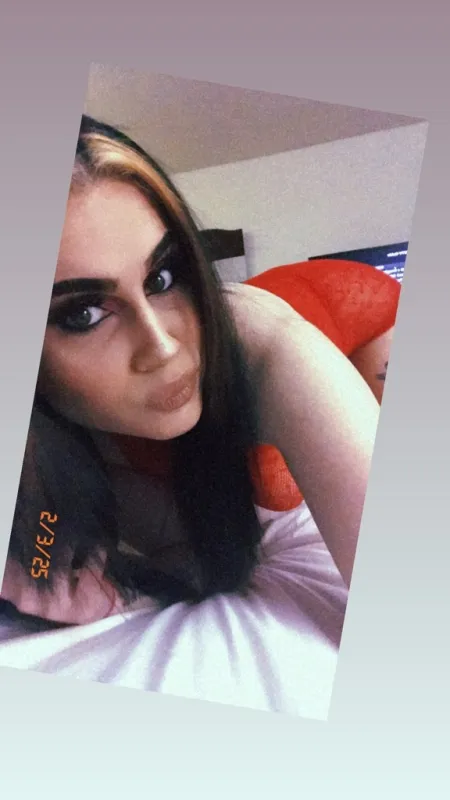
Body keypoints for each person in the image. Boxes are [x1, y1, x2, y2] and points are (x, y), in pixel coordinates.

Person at [1, 115, 378, 631]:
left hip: (361, 316)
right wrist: (46, 564)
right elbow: (67, 550)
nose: (163, 346)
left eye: (163, 276)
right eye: (83, 313)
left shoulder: (265, 349)